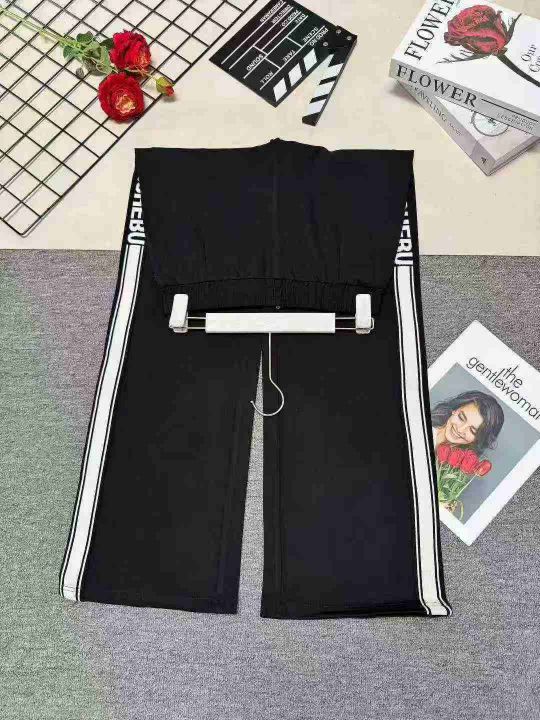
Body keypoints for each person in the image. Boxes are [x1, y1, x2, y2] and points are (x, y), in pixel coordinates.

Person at [431, 390, 504, 453]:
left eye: (472, 431)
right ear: (455, 409)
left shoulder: (460, 461)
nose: (460, 430)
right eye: (461, 418)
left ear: (478, 440)